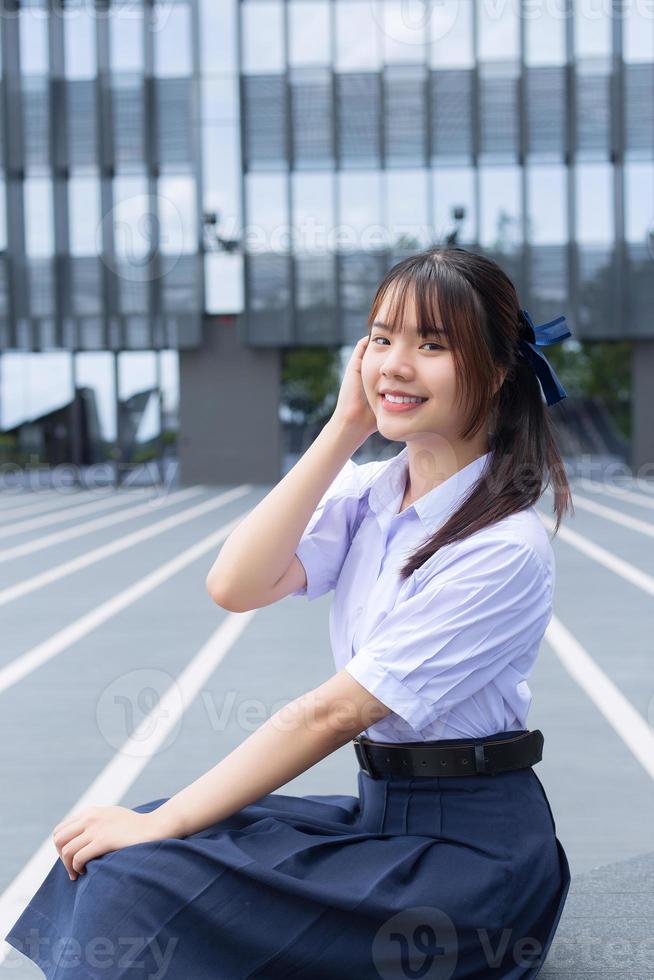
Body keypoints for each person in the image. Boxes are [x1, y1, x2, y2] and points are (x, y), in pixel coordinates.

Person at [4, 246, 573, 979]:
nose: (395, 364)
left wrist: (160, 826)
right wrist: (342, 428)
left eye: (432, 344)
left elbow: (332, 716)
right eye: (382, 337)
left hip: (467, 864)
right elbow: (235, 585)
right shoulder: (372, 492)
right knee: (120, 848)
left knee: (143, 869)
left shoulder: (504, 548)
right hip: (379, 819)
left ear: (496, 371)